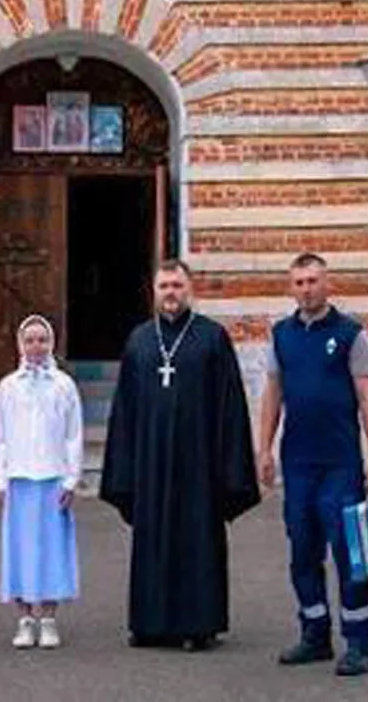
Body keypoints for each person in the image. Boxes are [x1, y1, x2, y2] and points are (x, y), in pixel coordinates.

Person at [99, 258, 261, 651]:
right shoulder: (139, 340)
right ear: (153, 292)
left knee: (196, 541)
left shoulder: (212, 338)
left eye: (177, 286)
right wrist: (124, 470)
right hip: (151, 463)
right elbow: (124, 411)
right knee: (152, 539)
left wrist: (231, 470)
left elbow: (230, 407)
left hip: (199, 464)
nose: (170, 293)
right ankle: (149, 624)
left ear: (190, 290)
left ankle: (198, 624)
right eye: (164, 286)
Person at [256, 252, 368, 677]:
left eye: (313, 280)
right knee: (302, 552)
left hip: (341, 464)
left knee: (349, 554)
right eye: (299, 282)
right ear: (290, 287)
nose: (306, 288)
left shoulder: (351, 335)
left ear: (327, 284)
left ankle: (360, 642)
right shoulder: (281, 336)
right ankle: (314, 634)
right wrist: (264, 449)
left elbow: (367, 399)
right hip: (298, 463)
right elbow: (272, 394)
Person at [0, 314, 84, 650]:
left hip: (52, 479)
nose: (36, 346)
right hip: (20, 479)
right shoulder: (8, 387)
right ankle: (25, 617)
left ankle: (49, 617)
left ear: (51, 344)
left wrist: (71, 480)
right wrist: (0, 479)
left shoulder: (64, 386)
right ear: (20, 344)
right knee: (21, 549)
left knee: (51, 549)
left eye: (42, 340)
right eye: (29, 340)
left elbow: (74, 434)